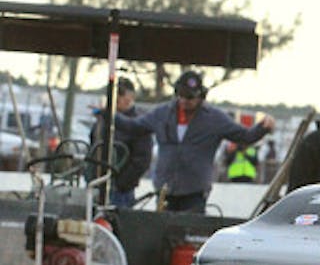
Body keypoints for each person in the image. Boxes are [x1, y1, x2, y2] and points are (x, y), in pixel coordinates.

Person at [114, 70, 274, 213]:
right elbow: (134, 126)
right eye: (181, 95)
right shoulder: (162, 114)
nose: (184, 100)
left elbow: (244, 136)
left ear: (200, 96)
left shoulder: (214, 119)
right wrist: (109, 115)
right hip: (165, 191)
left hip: (194, 194)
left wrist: (263, 127)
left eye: (190, 97)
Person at [90, 77, 153, 208]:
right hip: (97, 185)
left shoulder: (139, 123)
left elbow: (142, 159)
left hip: (121, 192)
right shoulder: (102, 120)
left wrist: (121, 183)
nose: (116, 99)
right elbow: (93, 146)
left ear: (130, 97)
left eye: (120, 95)